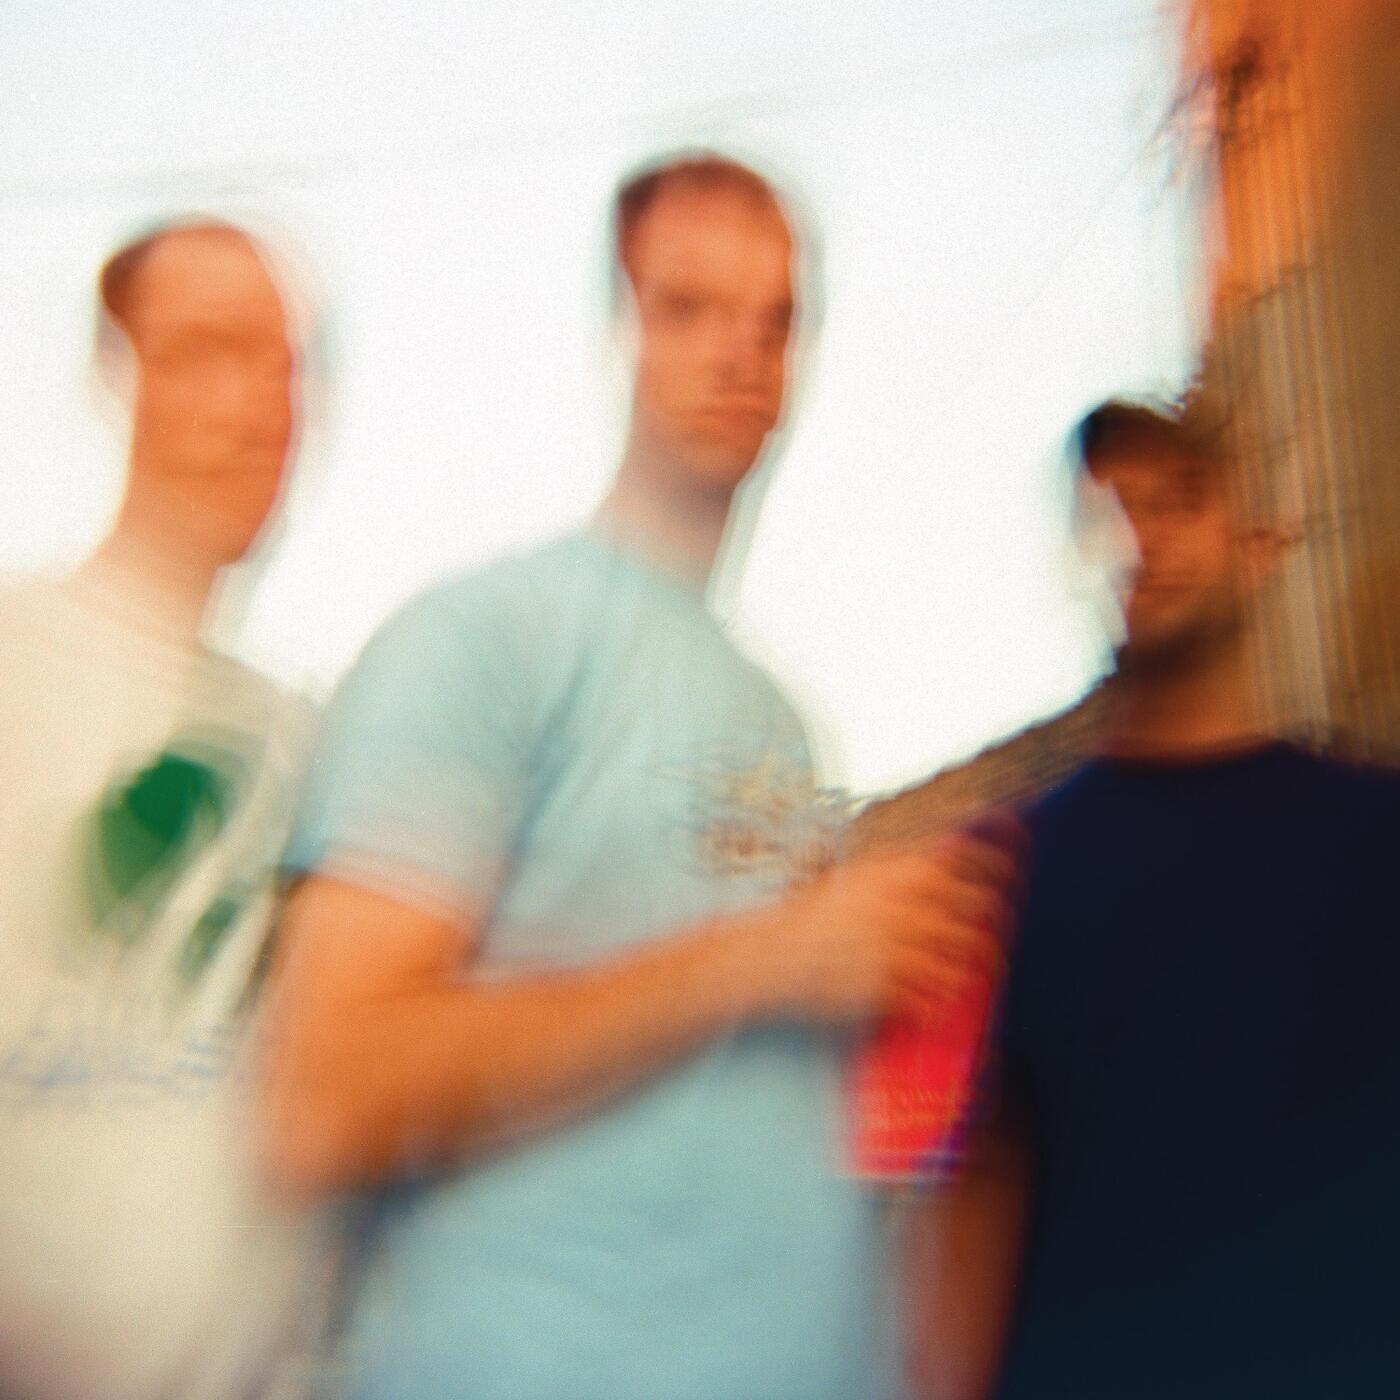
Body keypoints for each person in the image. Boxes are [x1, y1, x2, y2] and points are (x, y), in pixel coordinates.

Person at [264, 152, 1017, 1400]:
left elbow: (756, 1096)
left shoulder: (784, 717)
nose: (738, 353)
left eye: (774, 320)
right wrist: (765, 955)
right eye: (689, 307)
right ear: (618, 330)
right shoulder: (486, 633)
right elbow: (326, 1095)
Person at [911, 397, 1400, 1398]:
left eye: (1177, 500)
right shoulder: (1005, 874)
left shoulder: (1373, 835)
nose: (1143, 536)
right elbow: (978, 1193)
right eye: (1112, 508)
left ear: (1256, 544)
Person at [0, 219, 316, 1398]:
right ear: (113, 375)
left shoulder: (306, 732)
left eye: (285, 364)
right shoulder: (15, 659)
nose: (259, 406)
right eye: (207, 350)